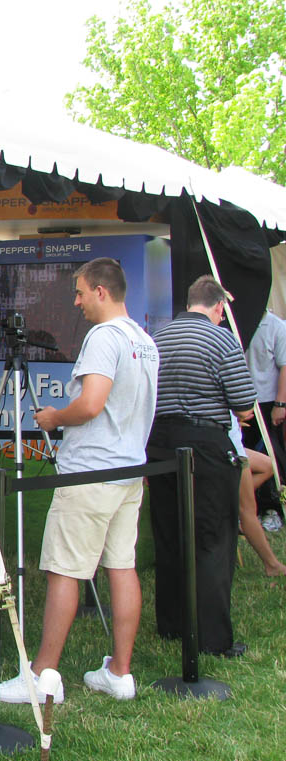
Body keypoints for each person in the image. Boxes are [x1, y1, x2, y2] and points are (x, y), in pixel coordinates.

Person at [0, 257, 159, 704]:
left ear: (102, 292)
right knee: (121, 567)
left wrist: (53, 418)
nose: (77, 300)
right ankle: (119, 673)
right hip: (128, 469)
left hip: (92, 469)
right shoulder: (145, 341)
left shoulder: (104, 337)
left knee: (64, 570)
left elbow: (90, 404)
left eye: (80, 291)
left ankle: (42, 674)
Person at [146, 275, 257, 658]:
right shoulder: (222, 338)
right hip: (205, 444)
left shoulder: (158, 337)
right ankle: (213, 637)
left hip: (160, 443)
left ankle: (172, 624)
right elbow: (243, 402)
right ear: (218, 307)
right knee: (212, 538)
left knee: (169, 533)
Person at [241, 309, 286, 528]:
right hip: (242, 405)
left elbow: (284, 366)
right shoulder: (236, 322)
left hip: (267, 403)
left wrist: (280, 403)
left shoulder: (277, 326)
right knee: (245, 458)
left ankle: (272, 509)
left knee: (270, 455)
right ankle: (251, 507)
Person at [230, 414, 286, 576]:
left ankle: (225, 500)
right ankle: (272, 565)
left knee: (267, 465)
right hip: (226, 446)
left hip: (231, 439)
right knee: (247, 510)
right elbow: (244, 409)